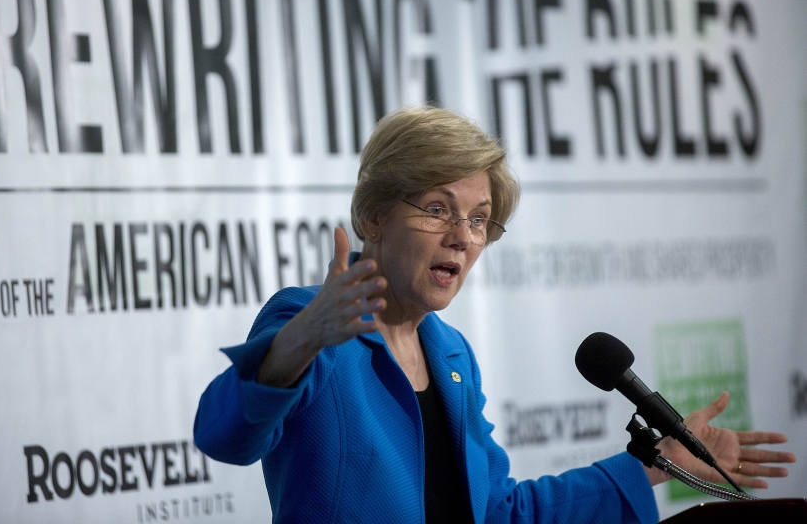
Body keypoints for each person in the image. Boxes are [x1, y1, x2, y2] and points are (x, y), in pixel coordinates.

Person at [193, 106, 795, 523]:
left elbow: (499, 514)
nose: (461, 237)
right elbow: (223, 436)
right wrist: (301, 341)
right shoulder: (308, 321)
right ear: (373, 217)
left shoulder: (451, 354)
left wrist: (657, 466)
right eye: (437, 208)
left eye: (479, 218)